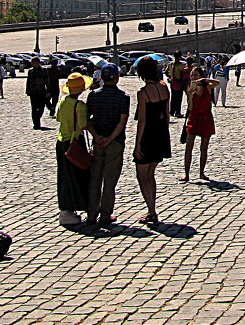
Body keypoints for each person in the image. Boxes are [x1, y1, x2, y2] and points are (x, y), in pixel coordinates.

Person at [86, 62, 129, 228]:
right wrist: (110, 138)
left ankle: (91, 214)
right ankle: (105, 215)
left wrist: (96, 136)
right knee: (110, 181)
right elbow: (122, 122)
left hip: (98, 142)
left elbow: (87, 120)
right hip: (115, 142)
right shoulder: (123, 97)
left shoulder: (93, 95)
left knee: (95, 179)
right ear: (117, 78)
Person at [133, 56, 171, 225]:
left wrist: (137, 144)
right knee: (150, 174)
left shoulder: (143, 93)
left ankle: (152, 211)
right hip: (161, 133)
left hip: (148, 135)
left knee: (142, 176)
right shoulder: (164, 88)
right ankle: (151, 208)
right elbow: (167, 115)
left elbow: (142, 120)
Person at [55, 72, 92, 226]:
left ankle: (66, 208)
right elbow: (83, 125)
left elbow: (58, 118)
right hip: (75, 143)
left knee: (64, 176)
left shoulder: (63, 102)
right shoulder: (80, 106)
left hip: (61, 141)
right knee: (77, 177)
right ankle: (71, 208)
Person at [180, 71, 219, 182]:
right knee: (189, 147)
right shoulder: (191, 90)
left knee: (204, 148)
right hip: (194, 118)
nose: (193, 77)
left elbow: (217, 82)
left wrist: (205, 80)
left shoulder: (208, 88)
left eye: (196, 75)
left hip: (206, 118)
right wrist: (190, 93)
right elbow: (190, 107)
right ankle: (186, 174)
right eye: (192, 75)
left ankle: (201, 172)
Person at [26, 57, 52, 130]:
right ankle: (36, 124)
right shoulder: (30, 71)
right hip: (33, 92)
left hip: (41, 91)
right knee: (34, 108)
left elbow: (47, 81)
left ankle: (37, 118)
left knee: (41, 107)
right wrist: (28, 91)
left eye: (34, 63)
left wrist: (48, 91)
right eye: (32, 63)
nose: (33, 64)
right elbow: (28, 81)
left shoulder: (44, 70)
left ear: (38, 63)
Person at [167, 51, 188, 118]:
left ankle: (172, 111)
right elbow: (182, 73)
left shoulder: (170, 64)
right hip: (179, 82)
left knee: (173, 97)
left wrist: (170, 77)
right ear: (179, 56)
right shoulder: (181, 65)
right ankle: (178, 112)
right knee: (179, 98)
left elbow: (166, 71)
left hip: (172, 82)